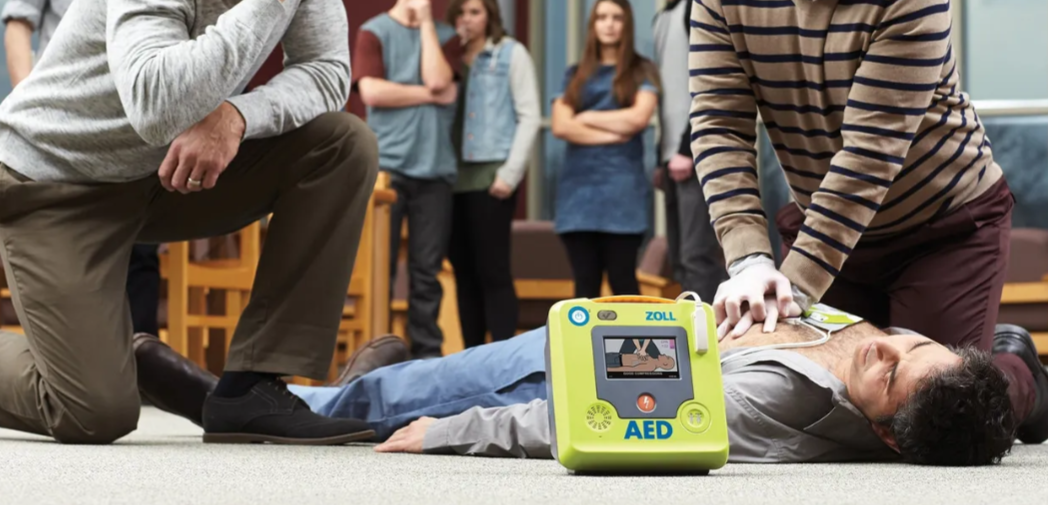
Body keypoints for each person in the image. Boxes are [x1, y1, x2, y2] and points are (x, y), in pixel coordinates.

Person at [0, 0, 379, 446]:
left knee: (343, 145)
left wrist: (235, 115)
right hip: (56, 184)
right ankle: (111, 363)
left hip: (164, 177)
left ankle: (252, 388)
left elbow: (327, 74)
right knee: (94, 413)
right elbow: (155, 106)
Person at [687, 0, 1045, 445]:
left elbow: (870, 154)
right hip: (828, 226)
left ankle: (1019, 371)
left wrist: (792, 291)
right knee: (844, 407)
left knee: (932, 412)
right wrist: (749, 261)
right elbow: (720, 127)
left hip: (942, 226)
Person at [135, 308, 1042, 467]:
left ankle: (214, 399)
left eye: (891, 372)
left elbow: (604, 421)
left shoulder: (781, 408)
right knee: (403, 382)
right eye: (913, 344)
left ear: (883, 432)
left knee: (386, 407)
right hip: (605, 331)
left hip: (568, 367)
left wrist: (454, 435)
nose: (884, 346)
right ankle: (364, 383)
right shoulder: (873, 353)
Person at [0, 0, 162, 336]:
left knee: (140, 247)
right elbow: (20, 21)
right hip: (65, 121)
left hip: (133, 118)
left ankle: (142, 364)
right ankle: (69, 358)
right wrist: (31, 105)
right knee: (68, 246)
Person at [354, 0, 462, 358]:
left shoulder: (448, 37)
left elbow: (438, 79)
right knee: (378, 270)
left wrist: (427, 26)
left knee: (426, 274)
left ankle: (427, 360)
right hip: (386, 171)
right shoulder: (374, 31)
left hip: (435, 172)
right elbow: (372, 93)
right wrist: (431, 95)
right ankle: (376, 356)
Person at [444, 0, 540, 347]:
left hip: (491, 177)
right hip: (450, 179)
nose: (467, 19)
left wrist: (510, 174)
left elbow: (529, 115)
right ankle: (471, 355)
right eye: (461, 12)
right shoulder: (446, 56)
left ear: (489, 15)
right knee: (463, 272)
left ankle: (502, 353)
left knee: (493, 270)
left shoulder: (510, 53)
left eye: (475, 12)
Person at [551, 0, 660, 298]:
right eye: (601, 17)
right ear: (592, 24)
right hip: (577, 198)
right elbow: (561, 125)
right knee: (584, 287)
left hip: (622, 196)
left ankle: (635, 335)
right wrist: (612, 133)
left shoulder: (642, 70)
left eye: (616, 18)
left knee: (623, 282)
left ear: (627, 24)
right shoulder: (574, 74)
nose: (609, 24)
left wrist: (586, 117)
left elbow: (637, 118)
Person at [649, 0, 724, 303]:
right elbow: (669, 95)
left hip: (696, 155)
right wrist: (661, 156)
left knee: (698, 257)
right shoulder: (662, 16)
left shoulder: (697, 5)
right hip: (672, 158)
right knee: (680, 259)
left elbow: (710, 82)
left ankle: (713, 337)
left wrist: (685, 149)